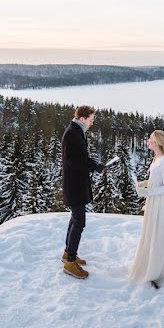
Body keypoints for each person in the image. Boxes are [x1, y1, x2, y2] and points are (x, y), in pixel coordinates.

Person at [128, 130, 164, 288]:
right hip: (154, 201)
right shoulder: (157, 159)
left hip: (162, 203)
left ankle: (159, 271)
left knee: (159, 234)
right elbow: (155, 180)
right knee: (152, 233)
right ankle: (152, 266)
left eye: (150, 139)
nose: (148, 141)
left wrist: (147, 192)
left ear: (157, 142)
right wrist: (144, 184)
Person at [61, 105, 107, 279]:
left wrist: (95, 165)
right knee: (79, 222)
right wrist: (95, 166)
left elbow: (80, 158)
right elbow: (76, 161)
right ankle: (70, 263)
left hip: (75, 183)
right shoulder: (73, 134)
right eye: (91, 119)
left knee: (75, 219)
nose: (92, 123)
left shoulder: (75, 131)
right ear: (82, 119)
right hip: (74, 185)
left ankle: (68, 253)